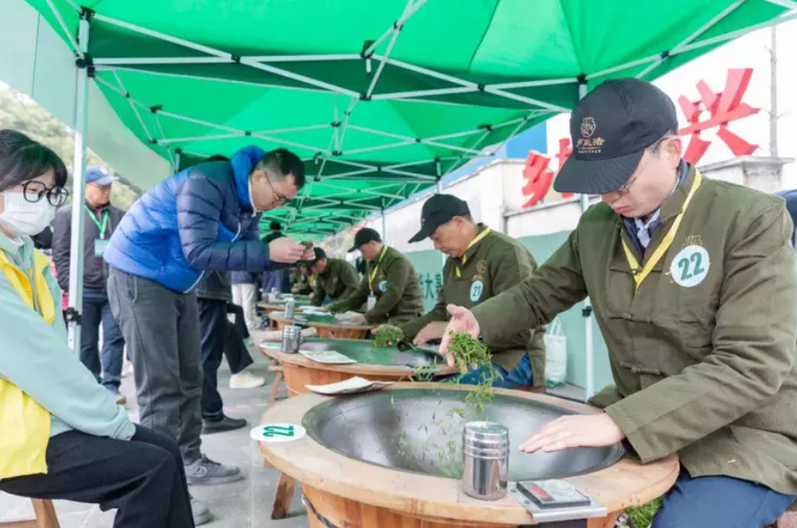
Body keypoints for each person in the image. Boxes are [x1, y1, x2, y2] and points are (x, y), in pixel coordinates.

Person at [439, 79, 797, 527]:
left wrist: (622, 422)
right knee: (537, 492)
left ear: (670, 150)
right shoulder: (598, 226)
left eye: (622, 178)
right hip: (632, 408)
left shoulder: (749, 219)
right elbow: (538, 294)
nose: (610, 194)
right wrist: (478, 321)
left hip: (739, 436)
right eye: (598, 181)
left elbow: (752, 364)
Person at [0, 130, 198, 528]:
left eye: (51, 192)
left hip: (38, 415)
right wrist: (107, 421)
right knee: (149, 470)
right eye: (33, 189)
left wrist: (94, 417)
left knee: (164, 449)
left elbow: (49, 358)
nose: (43, 203)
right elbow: (40, 360)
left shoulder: (27, 259)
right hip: (12, 431)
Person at [104, 145, 312, 512]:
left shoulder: (249, 204)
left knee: (191, 376)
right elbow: (199, 251)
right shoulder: (206, 182)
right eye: (279, 196)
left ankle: (187, 462)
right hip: (140, 272)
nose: (279, 205)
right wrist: (266, 252)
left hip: (179, 281)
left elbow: (245, 253)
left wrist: (285, 255)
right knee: (160, 386)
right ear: (260, 176)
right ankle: (160, 498)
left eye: (286, 201)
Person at [397, 195, 546, 389]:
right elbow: (442, 312)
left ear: (458, 222)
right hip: (469, 356)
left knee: (441, 394)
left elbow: (521, 329)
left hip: (513, 358)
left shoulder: (507, 253)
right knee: (416, 381)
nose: (436, 246)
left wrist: (449, 330)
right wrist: (401, 333)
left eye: (437, 237)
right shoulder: (452, 263)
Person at [52, 166, 127, 404]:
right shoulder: (67, 215)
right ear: (86, 187)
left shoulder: (119, 216)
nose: (106, 191)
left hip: (113, 288)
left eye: (109, 186)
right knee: (86, 342)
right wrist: (68, 285)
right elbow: (60, 253)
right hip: (82, 290)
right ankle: (91, 384)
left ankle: (111, 385)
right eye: (101, 187)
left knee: (115, 338)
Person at [196, 271, 265, 435]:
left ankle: (207, 413)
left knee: (225, 333)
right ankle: (210, 416)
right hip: (207, 290)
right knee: (208, 354)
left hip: (203, 289)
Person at [330, 227, 422, 325]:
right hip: (384, 314)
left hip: (405, 316)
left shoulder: (396, 261)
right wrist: (341, 306)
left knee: (377, 336)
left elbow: (393, 294)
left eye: (363, 251)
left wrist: (367, 317)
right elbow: (362, 291)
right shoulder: (371, 262)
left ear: (372, 243)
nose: (362, 255)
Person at [259, 221, 291, 295]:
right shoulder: (285, 238)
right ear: (280, 228)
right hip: (283, 265)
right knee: (281, 286)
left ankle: (266, 298)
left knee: (268, 286)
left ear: (271, 229)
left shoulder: (266, 238)